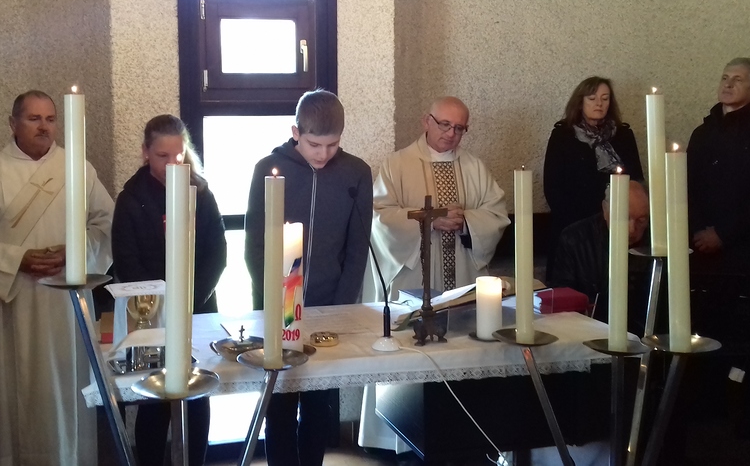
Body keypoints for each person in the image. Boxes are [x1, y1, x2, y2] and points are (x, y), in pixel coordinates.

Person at [0, 90, 114, 466]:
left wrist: (73, 252)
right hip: (14, 301)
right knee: (18, 390)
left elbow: (106, 225)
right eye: (34, 118)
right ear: (13, 124)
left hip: (66, 303)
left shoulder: (78, 168)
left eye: (51, 119)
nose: (44, 127)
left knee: (68, 388)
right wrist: (15, 259)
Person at [245, 89, 372, 466]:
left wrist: (341, 308)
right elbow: (255, 246)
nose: (323, 154)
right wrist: (273, 300)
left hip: (329, 304)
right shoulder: (268, 168)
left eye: (333, 145)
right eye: (315, 144)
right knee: (280, 404)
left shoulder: (356, 173)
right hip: (278, 307)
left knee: (319, 407)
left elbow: (357, 249)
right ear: (295, 132)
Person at [112, 114, 226, 466]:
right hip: (150, 313)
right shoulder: (131, 199)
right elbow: (126, 260)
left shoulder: (200, 193)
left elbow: (216, 252)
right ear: (145, 152)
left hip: (196, 305)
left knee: (196, 394)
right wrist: (162, 304)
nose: (172, 163)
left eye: (178, 155)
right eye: (162, 156)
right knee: (154, 399)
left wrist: (189, 299)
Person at [370, 96, 509, 296]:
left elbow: (496, 214)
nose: (451, 133)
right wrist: (429, 220)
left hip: (463, 274)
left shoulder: (475, 167)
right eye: (445, 124)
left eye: (459, 128)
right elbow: (379, 215)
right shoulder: (397, 164)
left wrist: (466, 222)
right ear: (427, 121)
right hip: (414, 275)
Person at [687, 57, 750, 294]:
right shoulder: (702, 133)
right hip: (699, 244)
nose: (728, 84)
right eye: (725, 78)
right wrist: (698, 230)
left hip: (746, 249)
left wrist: (722, 234)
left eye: (737, 80)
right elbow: (685, 185)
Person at [543, 77, 644, 272]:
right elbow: (553, 187)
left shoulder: (623, 135)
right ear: (580, 102)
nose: (599, 103)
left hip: (618, 225)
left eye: (605, 98)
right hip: (575, 226)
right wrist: (581, 226)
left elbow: (636, 181)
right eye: (592, 98)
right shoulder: (563, 135)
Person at [546, 180, 651, 333]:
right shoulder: (576, 239)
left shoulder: (658, 241)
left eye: (641, 220)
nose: (631, 230)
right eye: (624, 218)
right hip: (586, 331)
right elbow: (563, 298)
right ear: (605, 210)